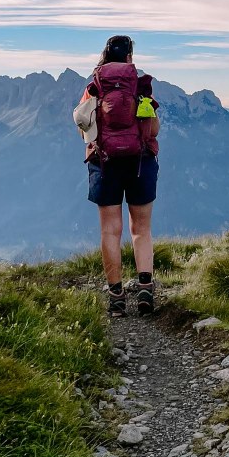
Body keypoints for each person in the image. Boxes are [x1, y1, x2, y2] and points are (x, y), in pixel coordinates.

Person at [73, 34, 160, 317]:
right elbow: (153, 130)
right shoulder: (141, 85)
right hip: (140, 163)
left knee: (111, 230)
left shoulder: (94, 87)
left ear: (105, 55)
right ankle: (145, 290)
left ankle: (116, 298)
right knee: (141, 229)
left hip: (105, 164)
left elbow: (85, 132)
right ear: (130, 58)